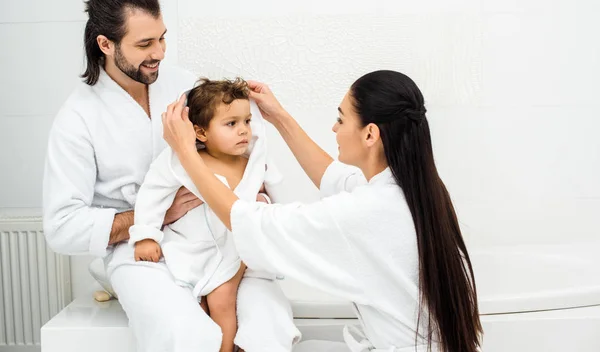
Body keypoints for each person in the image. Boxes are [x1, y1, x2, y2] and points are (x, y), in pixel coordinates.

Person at [43, 0, 296, 352]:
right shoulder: (77, 118)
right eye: (145, 43)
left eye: (162, 38)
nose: (159, 52)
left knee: (266, 326)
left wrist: (253, 191)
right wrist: (153, 215)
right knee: (187, 334)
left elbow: (237, 142)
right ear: (105, 44)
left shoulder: (184, 85)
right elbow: (61, 227)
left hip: (219, 238)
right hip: (140, 248)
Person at [162, 70, 483, 352]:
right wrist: (279, 117)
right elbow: (333, 176)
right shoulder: (412, 190)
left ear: (370, 134)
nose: (333, 128)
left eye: (341, 119)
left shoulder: (367, 211)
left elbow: (249, 222)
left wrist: (186, 153)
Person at [130, 78, 299, 351]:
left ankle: (226, 349)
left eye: (246, 121)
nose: (244, 130)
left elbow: (281, 196)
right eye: (231, 124)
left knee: (221, 297)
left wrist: (264, 201)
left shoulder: (254, 163)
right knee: (196, 304)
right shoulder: (181, 161)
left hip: (236, 249)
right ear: (200, 132)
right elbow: (153, 194)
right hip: (194, 247)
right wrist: (146, 236)